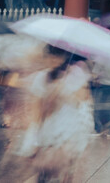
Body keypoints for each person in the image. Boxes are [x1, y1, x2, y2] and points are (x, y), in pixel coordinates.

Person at [16, 46, 93, 182]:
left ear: (63, 58)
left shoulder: (75, 74)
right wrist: (32, 138)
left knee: (66, 172)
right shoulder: (41, 77)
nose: (51, 61)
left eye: (55, 57)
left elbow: (83, 99)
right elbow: (37, 109)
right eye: (49, 57)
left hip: (69, 133)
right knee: (46, 172)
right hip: (48, 133)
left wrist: (64, 92)